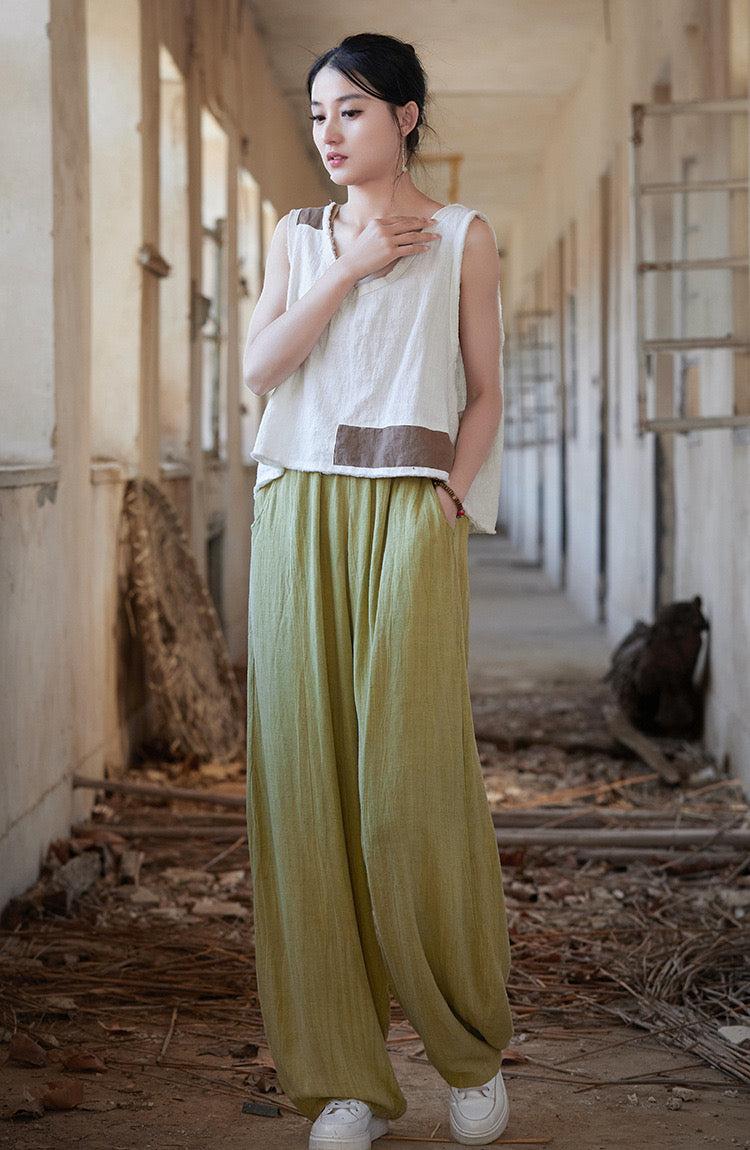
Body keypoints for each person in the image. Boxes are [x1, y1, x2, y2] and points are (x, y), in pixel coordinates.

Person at [243, 32, 513, 1150]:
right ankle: (342, 1080)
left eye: (350, 110)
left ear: (404, 116)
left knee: (411, 790)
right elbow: (261, 370)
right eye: (317, 114)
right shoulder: (297, 236)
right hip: (297, 508)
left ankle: (469, 1052)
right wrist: (348, 268)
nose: (328, 132)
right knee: (305, 791)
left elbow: (486, 392)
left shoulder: (463, 235)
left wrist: (449, 499)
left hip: (408, 507)